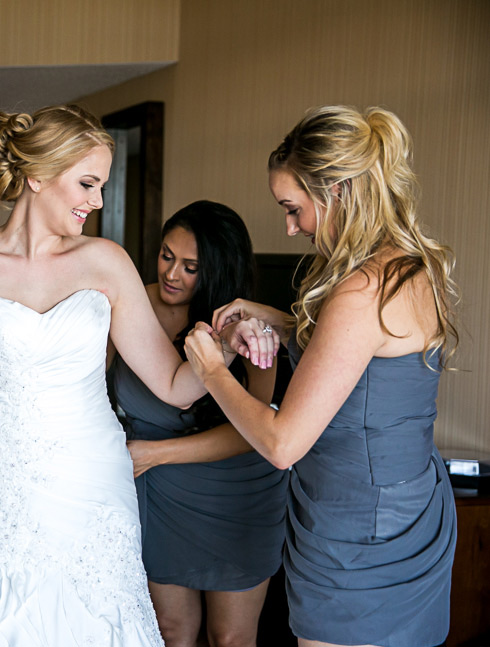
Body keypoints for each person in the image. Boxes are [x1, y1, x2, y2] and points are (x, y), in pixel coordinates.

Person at [0, 105, 272, 647]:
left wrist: (224, 346)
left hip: (91, 481)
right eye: (87, 183)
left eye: (102, 185)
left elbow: (175, 385)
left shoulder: (105, 262)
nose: (98, 201)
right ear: (37, 175)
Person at [185, 106, 459, 647]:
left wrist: (213, 370)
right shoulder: (408, 266)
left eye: (293, 208)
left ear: (335, 191)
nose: (290, 226)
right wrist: (276, 320)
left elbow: (282, 443)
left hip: (356, 532)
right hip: (411, 507)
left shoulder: (360, 290)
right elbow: (367, 361)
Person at [108, 200, 288, 647]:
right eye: (167, 255)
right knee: (170, 632)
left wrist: (155, 453)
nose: (172, 273)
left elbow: (258, 431)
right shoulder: (126, 306)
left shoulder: (247, 327)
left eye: (191, 266)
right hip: (157, 493)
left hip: (237, 490)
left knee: (230, 637)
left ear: (217, 270)